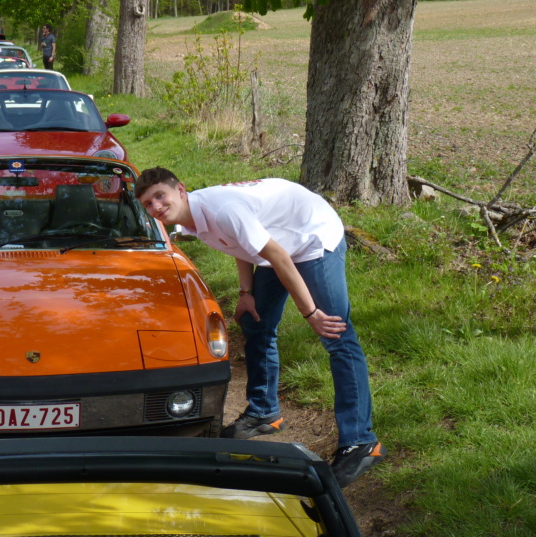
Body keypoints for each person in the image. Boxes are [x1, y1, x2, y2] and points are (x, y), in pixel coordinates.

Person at [135, 168, 383, 488]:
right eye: (147, 204)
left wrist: (311, 314)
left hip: (311, 235)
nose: (156, 207)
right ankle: (264, 412)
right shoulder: (194, 220)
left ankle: (361, 441)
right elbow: (240, 245)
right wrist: (246, 293)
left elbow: (278, 255)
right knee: (256, 322)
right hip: (278, 242)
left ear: (180, 190)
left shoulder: (222, 210)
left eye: (160, 196)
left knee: (336, 334)